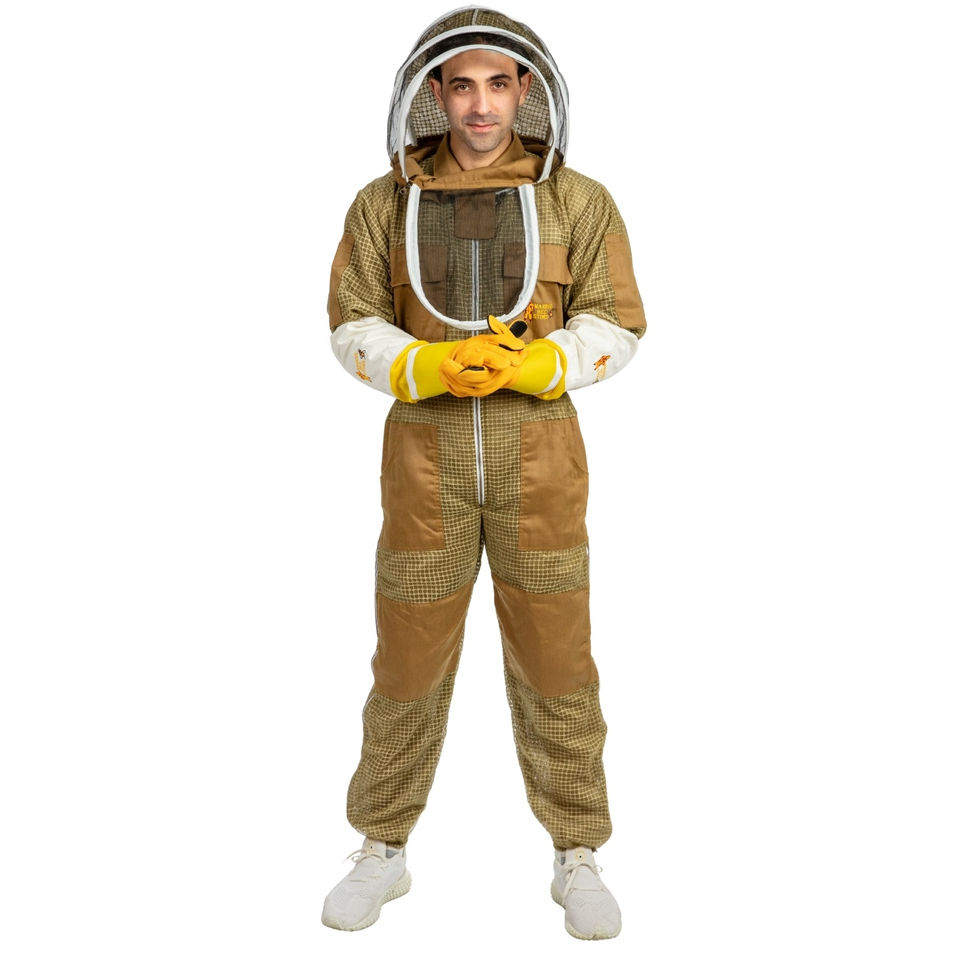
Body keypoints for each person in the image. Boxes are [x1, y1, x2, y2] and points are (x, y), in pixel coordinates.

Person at [322, 7, 646, 940]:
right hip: (422, 458)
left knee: (557, 657)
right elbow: (350, 319)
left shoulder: (577, 200)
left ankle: (577, 849)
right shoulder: (383, 202)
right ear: (432, 92)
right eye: (461, 84)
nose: (479, 105)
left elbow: (618, 320)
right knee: (407, 657)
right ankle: (383, 845)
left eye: (498, 84)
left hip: (540, 458)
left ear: (526, 91)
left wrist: (545, 363)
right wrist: (420, 364)